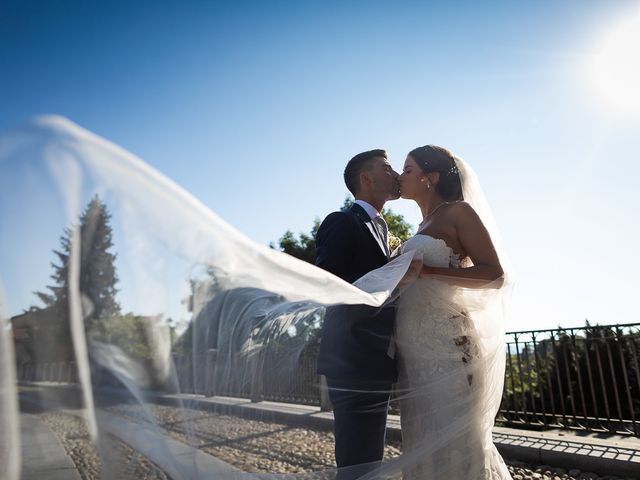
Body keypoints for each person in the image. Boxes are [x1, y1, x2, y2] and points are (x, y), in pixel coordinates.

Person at [394, 145, 512, 479]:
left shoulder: (459, 212)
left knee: (455, 440)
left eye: (407, 169)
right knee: (421, 439)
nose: (401, 177)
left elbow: (495, 274)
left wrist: (429, 273)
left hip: (448, 346)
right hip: (414, 351)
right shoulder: (420, 226)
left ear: (429, 178)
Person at [315, 149, 401, 477]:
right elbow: (329, 287)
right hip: (352, 359)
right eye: (388, 168)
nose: (395, 174)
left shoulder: (381, 228)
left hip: (377, 359)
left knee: (369, 460)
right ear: (367, 179)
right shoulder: (341, 221)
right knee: (358, 462)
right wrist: (395, 276)